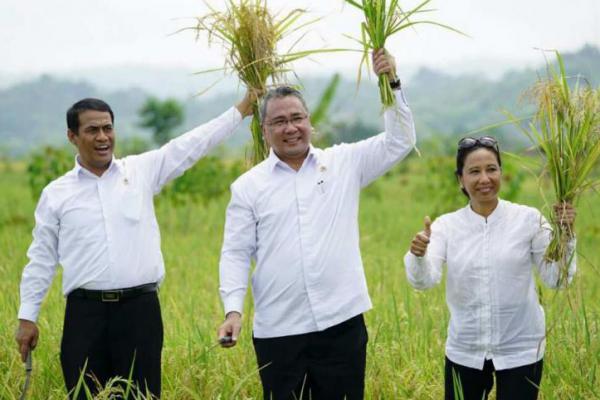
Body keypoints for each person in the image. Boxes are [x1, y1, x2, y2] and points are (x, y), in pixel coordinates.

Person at [15, 91, 256, 399]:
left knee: (142, 395)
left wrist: (239, 111)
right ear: (72, 136)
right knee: (84, 394)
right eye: (92, 130)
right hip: (85, 316)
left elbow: (192, 145)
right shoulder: (56, 194)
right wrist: (27, 317)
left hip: (139, 313)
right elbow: (41, 259)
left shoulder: (140, 171)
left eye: (108, 128)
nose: (103, 137)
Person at [216, 49, 416, 400]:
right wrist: (233, 310)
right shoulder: (248, 187)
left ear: (310, 122)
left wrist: (391, 82)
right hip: (279, 331)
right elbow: (235, 253)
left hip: (341, 324)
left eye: (297, 118)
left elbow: (400, 141)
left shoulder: (343, 163)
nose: (290, 128)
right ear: (264, 131)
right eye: (279, 121)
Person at [404, 136, 577, 400]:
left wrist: (565, 235)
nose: (484, 178)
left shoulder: (528, 220)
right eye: (474, 171)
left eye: (491, 169)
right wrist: (418, 255)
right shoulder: (446, 227)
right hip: (466, 350)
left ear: (500, 172)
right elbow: (425, 280)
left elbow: (557, 279)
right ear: (460, 179)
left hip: (521, 349)